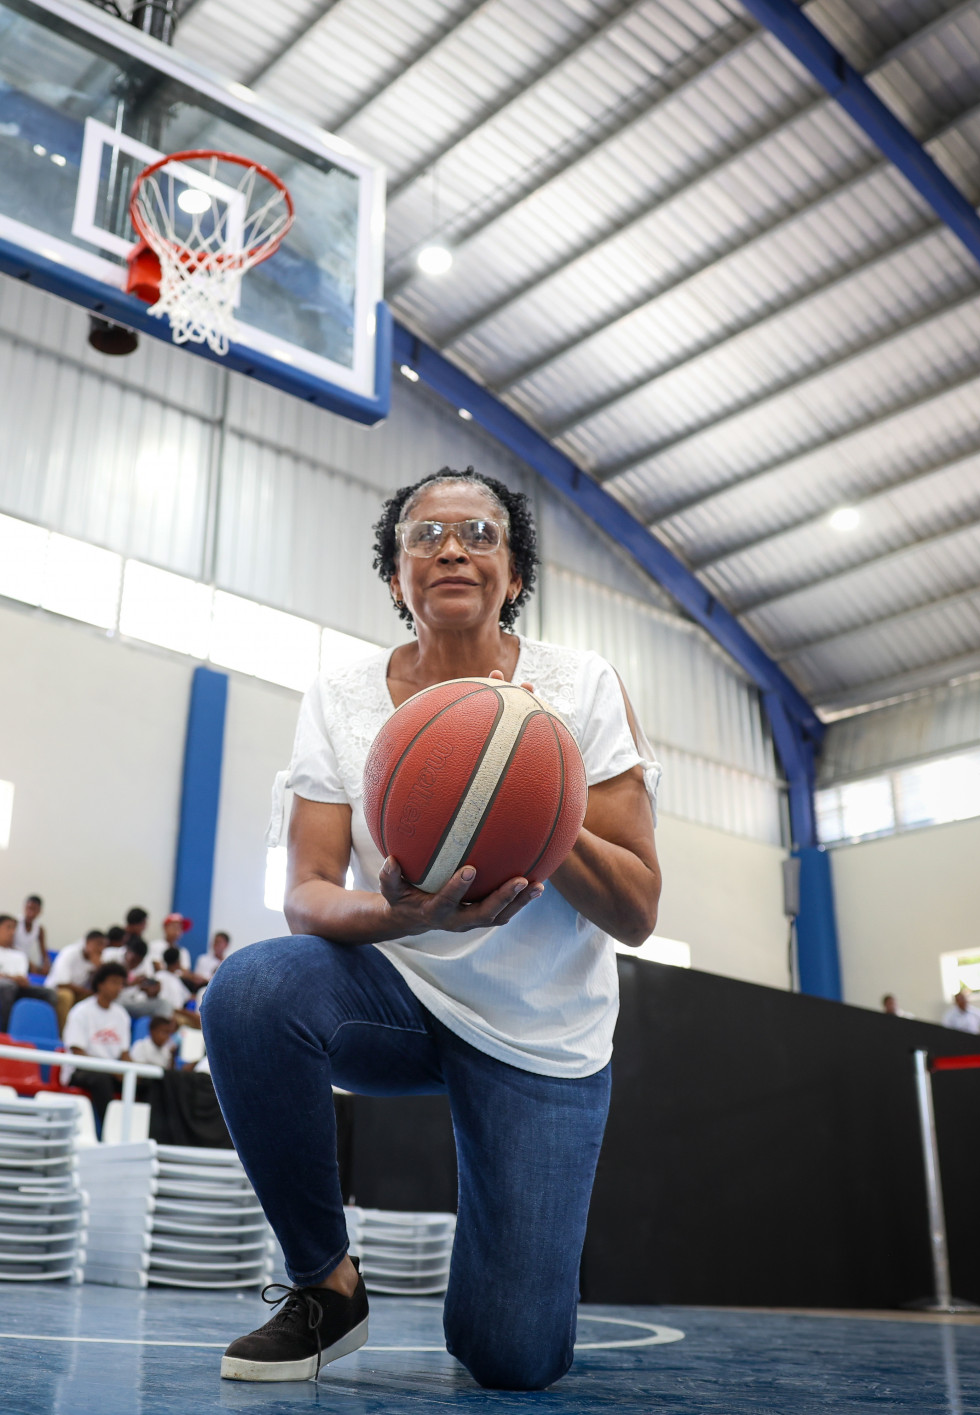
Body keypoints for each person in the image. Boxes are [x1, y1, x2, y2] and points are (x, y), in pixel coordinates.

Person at [203, 468, 662, 1390]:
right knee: (250, 990)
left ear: (515, 574)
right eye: (426, 535)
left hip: (541, 1027)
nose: (452, 548)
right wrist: (399, 914)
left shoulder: (581, 686)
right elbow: (307, 893)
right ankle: (325, 1285)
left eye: (480, 533)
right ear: (395, 577)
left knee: (514, 1357)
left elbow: (639, 911)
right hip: (398, 993)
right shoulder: (340, 696)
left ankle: (498, 1298)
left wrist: (533, 787)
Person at [63, 963, 132, 1135]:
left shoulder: (121, 1015)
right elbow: (78, 1053)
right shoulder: (81, 1012)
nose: (119, 988)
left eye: (121, 983)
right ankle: (109, 1132)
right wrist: (111, 1069)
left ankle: (145, 1132)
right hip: (80, 1071)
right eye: (114, 982)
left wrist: (130, 1072)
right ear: (100, 984)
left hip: (111, 1071)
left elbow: (124, 1053)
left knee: (147, 1082)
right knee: (102, 1080)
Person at [0, 913, 58, 1031]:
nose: (12, 932)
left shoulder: (19, 954)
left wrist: (21, 981)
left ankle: (42, 1032)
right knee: (8, 988)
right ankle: (6, 1033)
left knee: (49, 994)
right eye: (8, 927)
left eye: (14, 928)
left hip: (18, 987)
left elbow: (21, 977)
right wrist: (13, 978)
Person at [46, 929, 110, 1027]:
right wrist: (87, 992)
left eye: (103, 946)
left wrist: (99, 969)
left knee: (99, 999)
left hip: (77, 993)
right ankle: (64, 1033)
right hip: (56, 991)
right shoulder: (69, 953)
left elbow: (100, 988)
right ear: (87, 943)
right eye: (98, 944)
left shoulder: (97, 960)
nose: (101, 949)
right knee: (67, 996)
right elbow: (62, 984)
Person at [115, 937, 175, 1021]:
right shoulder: (113, 957)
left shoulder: (146, 965)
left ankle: (162, 1028)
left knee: (164, 1004)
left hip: (135, 1002)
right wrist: (131, 984)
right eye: (133, 960)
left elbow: (145, 995)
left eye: (138, 961)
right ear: (127, 951)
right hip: (117, 999)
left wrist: (150, 992)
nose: (135, 963)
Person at [12, 894, 48, 971]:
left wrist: (46, 964)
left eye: (34, 909)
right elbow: (7, 945)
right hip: (13, 958)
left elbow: (44, 952)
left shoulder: (39, 929)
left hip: (26, 961)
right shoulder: (14, 923)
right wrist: (26, 960)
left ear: (39, 911)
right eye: (28, 908)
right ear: (24, 908)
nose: (30, 912)